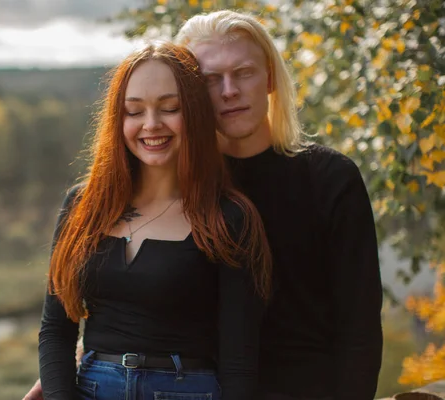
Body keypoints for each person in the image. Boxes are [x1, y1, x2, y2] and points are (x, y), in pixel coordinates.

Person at [25, 9, 383, 400]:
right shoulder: (172, 181)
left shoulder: (328, 179)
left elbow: (360, 330)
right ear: (191, 92)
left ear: (269, 77)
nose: (229, 90)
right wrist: (69, 375)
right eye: (211, 79)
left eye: (243, 72)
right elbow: (137, 302)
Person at [38, 42, 272, 400]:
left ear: (194, 113)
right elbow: (56, 329)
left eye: (169, 108)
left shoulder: (228, 218)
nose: (151, 125)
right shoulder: (83, 206)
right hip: (91, 390)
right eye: (134, 111)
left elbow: (239, 360)